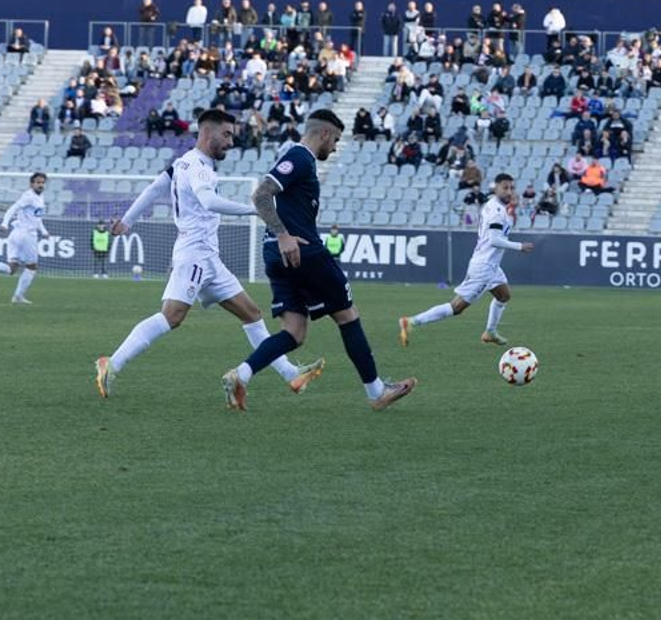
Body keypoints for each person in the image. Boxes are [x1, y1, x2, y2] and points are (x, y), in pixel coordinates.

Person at [92, 110, 324, 400]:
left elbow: (154, 189)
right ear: (206, 133)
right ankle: (111, 364)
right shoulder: (199, 167)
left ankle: (291, 374)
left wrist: (127, 221)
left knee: (251, 314)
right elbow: (209, 201)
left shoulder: (182, 163)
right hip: (195, 254)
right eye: (226, 134)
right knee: (172, 317)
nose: (231, 141)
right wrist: (256, 210)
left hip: (208, 257)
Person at [220, 109, 414, 412]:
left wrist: (280, 238)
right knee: (348, 315)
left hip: (275, 254)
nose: (335, 147)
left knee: (294, 333)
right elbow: (260, 195)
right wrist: (284, 234)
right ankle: (376, 391)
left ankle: (241, 374)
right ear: (324, 133)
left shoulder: (300, 160)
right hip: (302, 250)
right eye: (335, 139)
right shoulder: (299, 157)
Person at [400, 172, 536, 348]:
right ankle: (411, 322)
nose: (509, 191)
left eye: (511, 188)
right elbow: (494, 240)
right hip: (484, 268)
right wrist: (520, 246)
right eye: (505, 188)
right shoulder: (496, 211)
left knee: (503, 296)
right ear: (496, 188)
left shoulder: (493, 205)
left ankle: (490, 332)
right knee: (456, 307)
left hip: (491, 266)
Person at [0, 171, 48, 303]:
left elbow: (36, 218)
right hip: (26, 235)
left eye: (42, 182)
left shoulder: (39, 197)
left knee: (12, 268)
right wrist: (4, 223)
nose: (41, 185)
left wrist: (44, 231)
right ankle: (18, 296)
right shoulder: (28, 196)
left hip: (16, 234)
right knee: (32, 267)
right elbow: (13, 208)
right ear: (31, 184)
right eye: (38, 182)